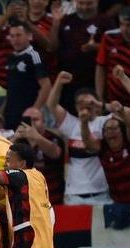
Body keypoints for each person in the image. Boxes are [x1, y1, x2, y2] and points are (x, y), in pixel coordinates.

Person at [47, 71, 111, 205]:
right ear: (76, 107)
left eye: (89, 103)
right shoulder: (71, 123)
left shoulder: (106, 122)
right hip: (74, 194)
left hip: (101, 193)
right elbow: (51, 105)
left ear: (97, 104)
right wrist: (58, 82)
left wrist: (103, 106)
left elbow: (92, 146)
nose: (85, 106)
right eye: (80, 103)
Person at [3, 20, 51, 130]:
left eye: (19, 35)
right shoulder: (11, 58)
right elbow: (11, 89)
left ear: (29, 36)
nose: (15, 39)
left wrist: (35, 110)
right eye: (12, 36)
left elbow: (46, 85)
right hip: (11, 113)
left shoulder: (33, 55)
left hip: (27, 113)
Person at [14, 106, 65, 205]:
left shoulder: (52, 137)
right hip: (25, 197)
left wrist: (36, 137)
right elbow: (4, 157)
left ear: (44, 122)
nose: (31, 124)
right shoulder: (17, 140)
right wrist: (14, 139)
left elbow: (56, 153)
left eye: (35, 120)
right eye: (27, 120)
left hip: (52, 196)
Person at [96, 6, 130, 108]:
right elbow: (101, 67)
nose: (124, 29)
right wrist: (99, 98)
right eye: (122, 24)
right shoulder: (109, 37)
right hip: (113, 102)